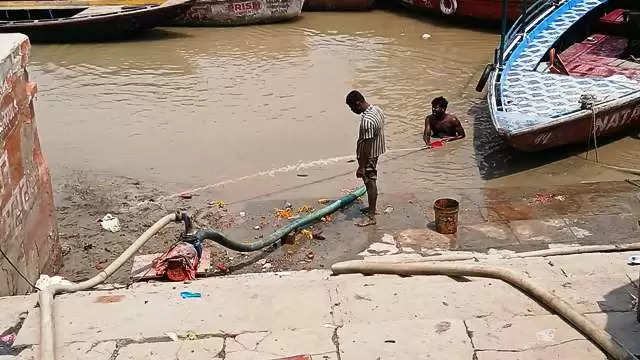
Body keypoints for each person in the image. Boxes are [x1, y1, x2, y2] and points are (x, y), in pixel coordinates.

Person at [346, 90, 386, 227]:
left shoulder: (367, 121)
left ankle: (371, 216)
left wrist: (361, 166)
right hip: (377, 149)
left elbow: (367, 146)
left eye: (351, 108)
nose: (352, 110)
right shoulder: (377, 109)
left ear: (357, 104)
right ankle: (371, 208)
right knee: (370, 181)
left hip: (369, 155)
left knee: (370, 181)